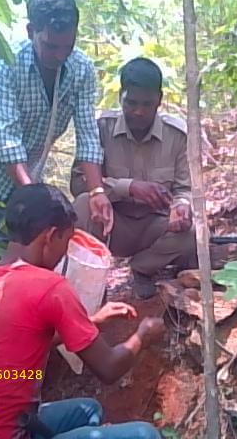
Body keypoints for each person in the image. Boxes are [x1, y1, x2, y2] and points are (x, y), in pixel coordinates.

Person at [0, 183, 163, 439]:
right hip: (5, 433)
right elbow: (108, 368)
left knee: (88, 410)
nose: (64, 252)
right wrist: (143, 336)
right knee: (145, 434)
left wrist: (92, 321)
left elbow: (19, 339)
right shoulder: (50, 286)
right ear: (51, 235)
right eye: (66, 241)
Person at [0, 0, 112, 243]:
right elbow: (8, 141)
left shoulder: (81, 69)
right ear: (31, 32)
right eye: (51, 46)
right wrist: (35, 197)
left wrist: (97, 191)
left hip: (32, 165)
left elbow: (87, 135)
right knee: (2, 243)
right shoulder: (7, 62)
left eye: (68, 46)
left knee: (37, 243)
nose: (60, 56)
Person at [71, 58, 197, 299]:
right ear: (121, 97)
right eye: (131, 103)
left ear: (159, 100)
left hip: (156, 226)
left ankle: (142, 268)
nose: (139, 111)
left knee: (195, 231)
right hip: (112, 223)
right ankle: (90, 283)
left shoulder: (177, 136)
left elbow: (184, 189)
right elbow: (78, 183)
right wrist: (127, 188)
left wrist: (181, 207)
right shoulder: (101, 129)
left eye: (147, 104)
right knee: (82, 206)